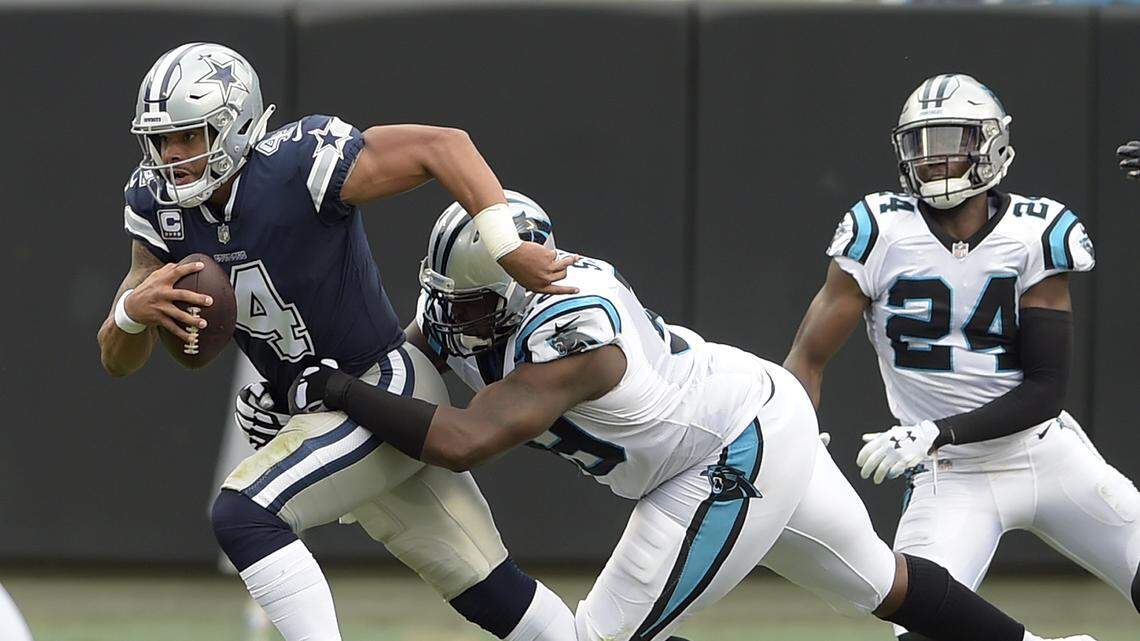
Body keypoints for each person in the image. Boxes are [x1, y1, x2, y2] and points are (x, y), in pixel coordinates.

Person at [286, 193, 1096, 641]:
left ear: (517, 292)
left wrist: (334, 387)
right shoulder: (484, 302)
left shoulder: (573, 330)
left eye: (462, 304)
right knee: (885, 584)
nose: (442, 318)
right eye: (440, 297)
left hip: (723, 457)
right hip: (747, 410)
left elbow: (462, 442)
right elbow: (410, 360)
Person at [97, 42, 578, 641]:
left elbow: (443, 145)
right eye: (161, 140)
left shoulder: (298, 166)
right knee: (498, 595)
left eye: (189, 137)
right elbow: (118, 358)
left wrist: (503, 243)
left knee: (245, 513)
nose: (172, 157)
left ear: (236, 125)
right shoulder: (155, 205)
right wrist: (132, 313)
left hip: (380, 384)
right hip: (319, 409)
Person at [784, 73, 1140, 641]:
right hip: (948, 476)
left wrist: (934, 432)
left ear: (993, 144)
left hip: (1043, 454)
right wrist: (790, 435)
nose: (935, 160)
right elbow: (807, 359)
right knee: (922, 632)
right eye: (921, 145)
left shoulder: (1036, 231)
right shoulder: (877, 230)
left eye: (953, 142)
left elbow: (1046, 390)